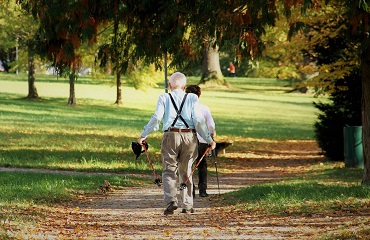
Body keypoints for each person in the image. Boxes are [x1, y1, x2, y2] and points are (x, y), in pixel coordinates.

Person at [137, 72, 216, 215]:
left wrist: (144, 135)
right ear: (185, 86)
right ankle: (187, 204)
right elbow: (198, 120)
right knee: (186, 170)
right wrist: (209, 140)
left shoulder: (164, 97)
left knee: (168, 170)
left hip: (170, 135)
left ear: (169, 85)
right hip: (189, 136)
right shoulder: (192, 98)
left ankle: (171, 201)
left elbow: (157, 117)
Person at [185, 85, 215, 198]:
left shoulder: (184, 109)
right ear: (199, 95)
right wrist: (211, 135)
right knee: (202, 164)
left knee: (188, 164)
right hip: (202, 140)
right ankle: (203, 190)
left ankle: (190, 191)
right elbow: (211, 125)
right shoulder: (204, 108)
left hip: (188, 139)